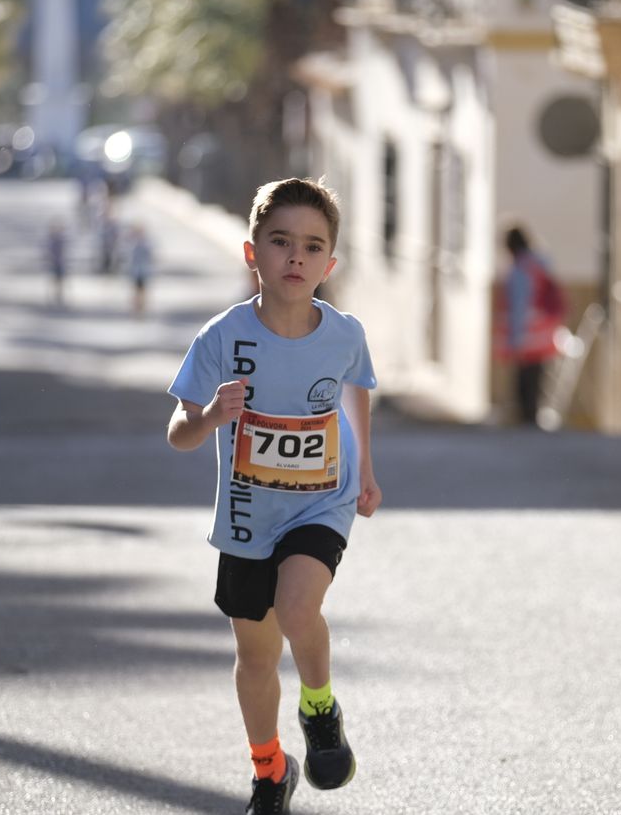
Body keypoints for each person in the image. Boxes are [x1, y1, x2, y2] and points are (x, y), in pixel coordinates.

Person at [165, 177, 380, 815]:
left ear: (329, 264)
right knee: (256, 656)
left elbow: (356, 390)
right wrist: (210, 417)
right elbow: (179, 432)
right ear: (251, 252)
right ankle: (270, 770)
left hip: (322, 502)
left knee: (296, 608)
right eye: (280, 241)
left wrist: (367, 471)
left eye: (313, 247)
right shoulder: (222, 336)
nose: (296, 257)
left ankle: (319, 708)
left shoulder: (344, 334)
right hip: (247, 515)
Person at [496, 227, 564, 427]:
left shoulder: (520, 270)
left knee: (524, 378)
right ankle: (532, 415)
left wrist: (514, 338)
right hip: (543, 332)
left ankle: (526, 417)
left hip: (527, 334)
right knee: (537, 376)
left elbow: (518, 305)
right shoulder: (539, 263)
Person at [127, 224, 154, 318]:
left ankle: (141, 309)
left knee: (141, 291)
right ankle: (137, 309)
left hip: (142, 271)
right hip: (137, 271)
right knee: (137, 291)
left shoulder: (145, 244)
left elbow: (149, 257)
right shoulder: (133, 243)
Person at [46, 218, 68, 307]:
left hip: (60, 263)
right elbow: (49, 251)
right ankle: (56, 294)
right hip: (55, 263)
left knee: (60, 280)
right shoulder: (52, 240)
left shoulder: (60, 239)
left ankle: (59, 294)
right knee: (55, 280)